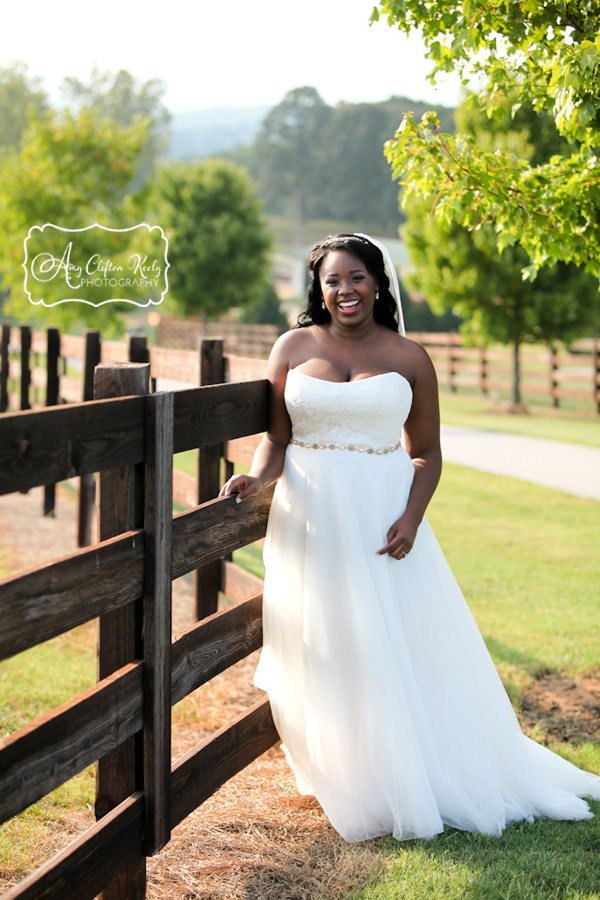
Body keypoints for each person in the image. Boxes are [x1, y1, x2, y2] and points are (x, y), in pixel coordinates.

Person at [219, 233, 600, 842]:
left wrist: (412, 517)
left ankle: (403, 773)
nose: (346, 290)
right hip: (311, 517)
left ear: (379, 283)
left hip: (380, 517)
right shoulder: (290, 347)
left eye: (357, 277)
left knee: (388, 643)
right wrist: (254, 477)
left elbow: (425, 454)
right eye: (333, 280)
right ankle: (346, 768)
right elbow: (277, 440)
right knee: (322, 640)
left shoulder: (409, 357)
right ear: (318, 290)